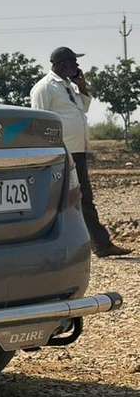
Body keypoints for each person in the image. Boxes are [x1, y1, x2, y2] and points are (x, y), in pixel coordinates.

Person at [30, 47, 131, 257]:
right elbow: (40, 121)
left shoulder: (69, 87)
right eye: (74, 62)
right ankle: (96, 244)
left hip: (77, 151)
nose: (77, 66)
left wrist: (82, 85)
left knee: (81, 197)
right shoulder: (44, 87)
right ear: (62, 64)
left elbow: (83, 108)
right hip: (62, 152)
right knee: (64, 199)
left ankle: (98, 244)